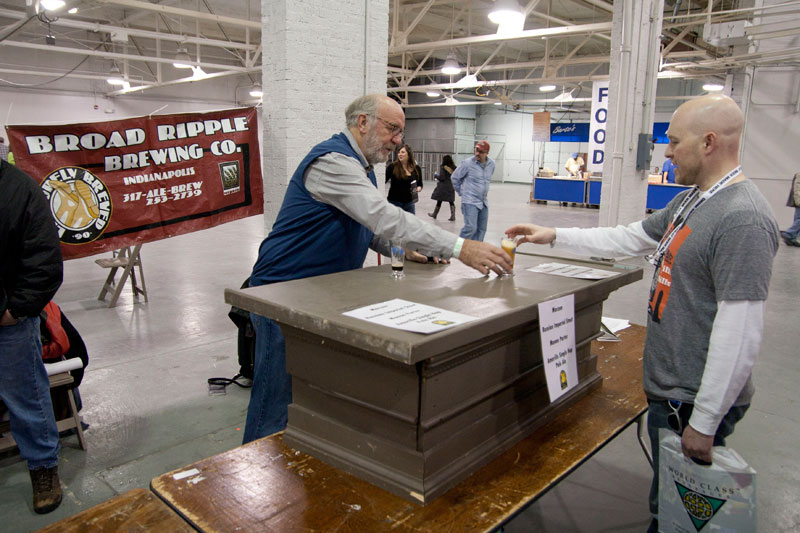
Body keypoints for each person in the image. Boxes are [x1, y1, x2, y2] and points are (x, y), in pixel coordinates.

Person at [505, 94, 778, 533]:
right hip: (673, 390)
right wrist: (553, 234)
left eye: (673, 141)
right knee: (670, 502)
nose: (666, 153)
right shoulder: (695, 201)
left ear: (708, 142)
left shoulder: (742, 219)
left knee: (675, 513)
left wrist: (704, 422)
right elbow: (630, 237)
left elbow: (739, 331)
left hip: (690, 401)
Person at [243, 94, 512, 444]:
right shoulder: (333, 162)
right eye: (393, 129)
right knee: (275, 397)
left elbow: (366, 227)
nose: (398, 139)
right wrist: (461, 247)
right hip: (282, 290)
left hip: (316, 292)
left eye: (401, 131)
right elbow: (383, 217)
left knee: (310, 391)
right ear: (363, 123)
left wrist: (404, 248)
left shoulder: (362, 168)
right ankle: (254, 474)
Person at [0, 159, 64, 514]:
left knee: (26, 397)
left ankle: (43, 467)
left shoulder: (18, 188)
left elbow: (44, 258)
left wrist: (17, 310)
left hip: (7, 323)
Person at [452, 140, 495, 242]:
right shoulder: (467, 163)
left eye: (480, 152)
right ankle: (457, 250)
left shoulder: (491, 164)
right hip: (470, 201)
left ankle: (475, 252)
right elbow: (455, 178)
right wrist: (462, 193)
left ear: (487, 153)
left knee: (482, 230)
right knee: (470, 228)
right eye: (476, 150)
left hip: (483, 202)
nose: (477, 153)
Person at [385, 144, 422, 214]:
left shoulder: (416, 168)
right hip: (394, 203)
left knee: (410, 224)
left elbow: (420, 184)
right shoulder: (392, 167)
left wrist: (417, 189)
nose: (400, 154)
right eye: (399, 152)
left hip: (410, 203)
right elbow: (382, 181)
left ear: (409, 154)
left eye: (402, 152)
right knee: (394, 224)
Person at [428, 154, 456, 221]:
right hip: (451, 186)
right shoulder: (454, 167)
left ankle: (434, 214)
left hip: (443, 187)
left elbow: (442, 178)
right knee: (451, 201)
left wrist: (436, 175)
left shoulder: (443, 167)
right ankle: (453, 216)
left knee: (439, 200)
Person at [780, 172, 800, 246]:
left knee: (797, 219)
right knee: (799, 219)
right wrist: (798, 200)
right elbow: (797, 188)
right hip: (798, 200)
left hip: (798, 200)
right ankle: (789, 233)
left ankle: (792, 238)